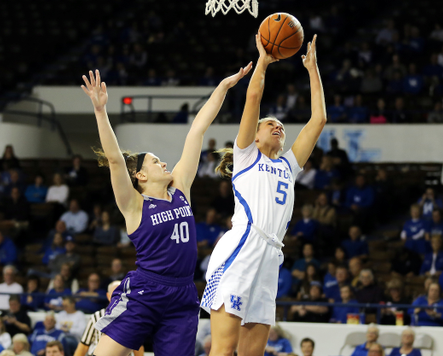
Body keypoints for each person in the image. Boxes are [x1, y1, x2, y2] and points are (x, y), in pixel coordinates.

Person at [82, 63, 252, 356]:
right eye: (156, 162)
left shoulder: (180, 189)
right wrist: (100, 111)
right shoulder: (134, 205)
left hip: (183, 293)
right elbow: (114, 160)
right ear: (141, 176)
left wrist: (223, 87)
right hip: (146, 291)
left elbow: (197, 129)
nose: (164, 164)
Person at [200, 34, 326, 356]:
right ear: (253, 136)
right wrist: (264, 63)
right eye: (270, 124)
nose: (278, 127)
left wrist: (312, 69)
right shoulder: (246, 157)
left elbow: (318, 120)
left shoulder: (289, 165)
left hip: (271, 257)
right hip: (242, 248)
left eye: (281, 126)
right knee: (223, 350)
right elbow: (253, 96)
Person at [73, 281, 144, 356]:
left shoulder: (131, 319)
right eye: (116, 293)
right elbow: (83, 346)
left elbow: (138, 347)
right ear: (108, 296)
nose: (119, 297)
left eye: (122, 293)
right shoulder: (97, 316)